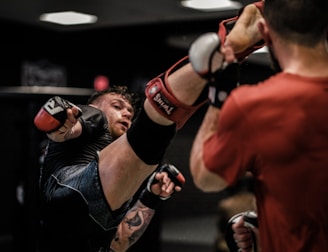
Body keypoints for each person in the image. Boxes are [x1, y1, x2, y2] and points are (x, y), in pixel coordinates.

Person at [34, 46, 212, 252]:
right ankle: (207, 64)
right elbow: (70, 128)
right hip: (68, 195)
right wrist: (61, 123)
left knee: (151, 145)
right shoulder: (93, 116)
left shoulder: (120, 179)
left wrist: (152, 197)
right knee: (151, 134)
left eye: (129, 111)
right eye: (117, 107)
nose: (126, 114)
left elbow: (119, 242)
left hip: (92, 223)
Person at [189, 0, 328, 251]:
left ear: (264, 32)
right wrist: (268, 227)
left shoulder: (255, 105)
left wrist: (220, 97)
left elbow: (206, 177)